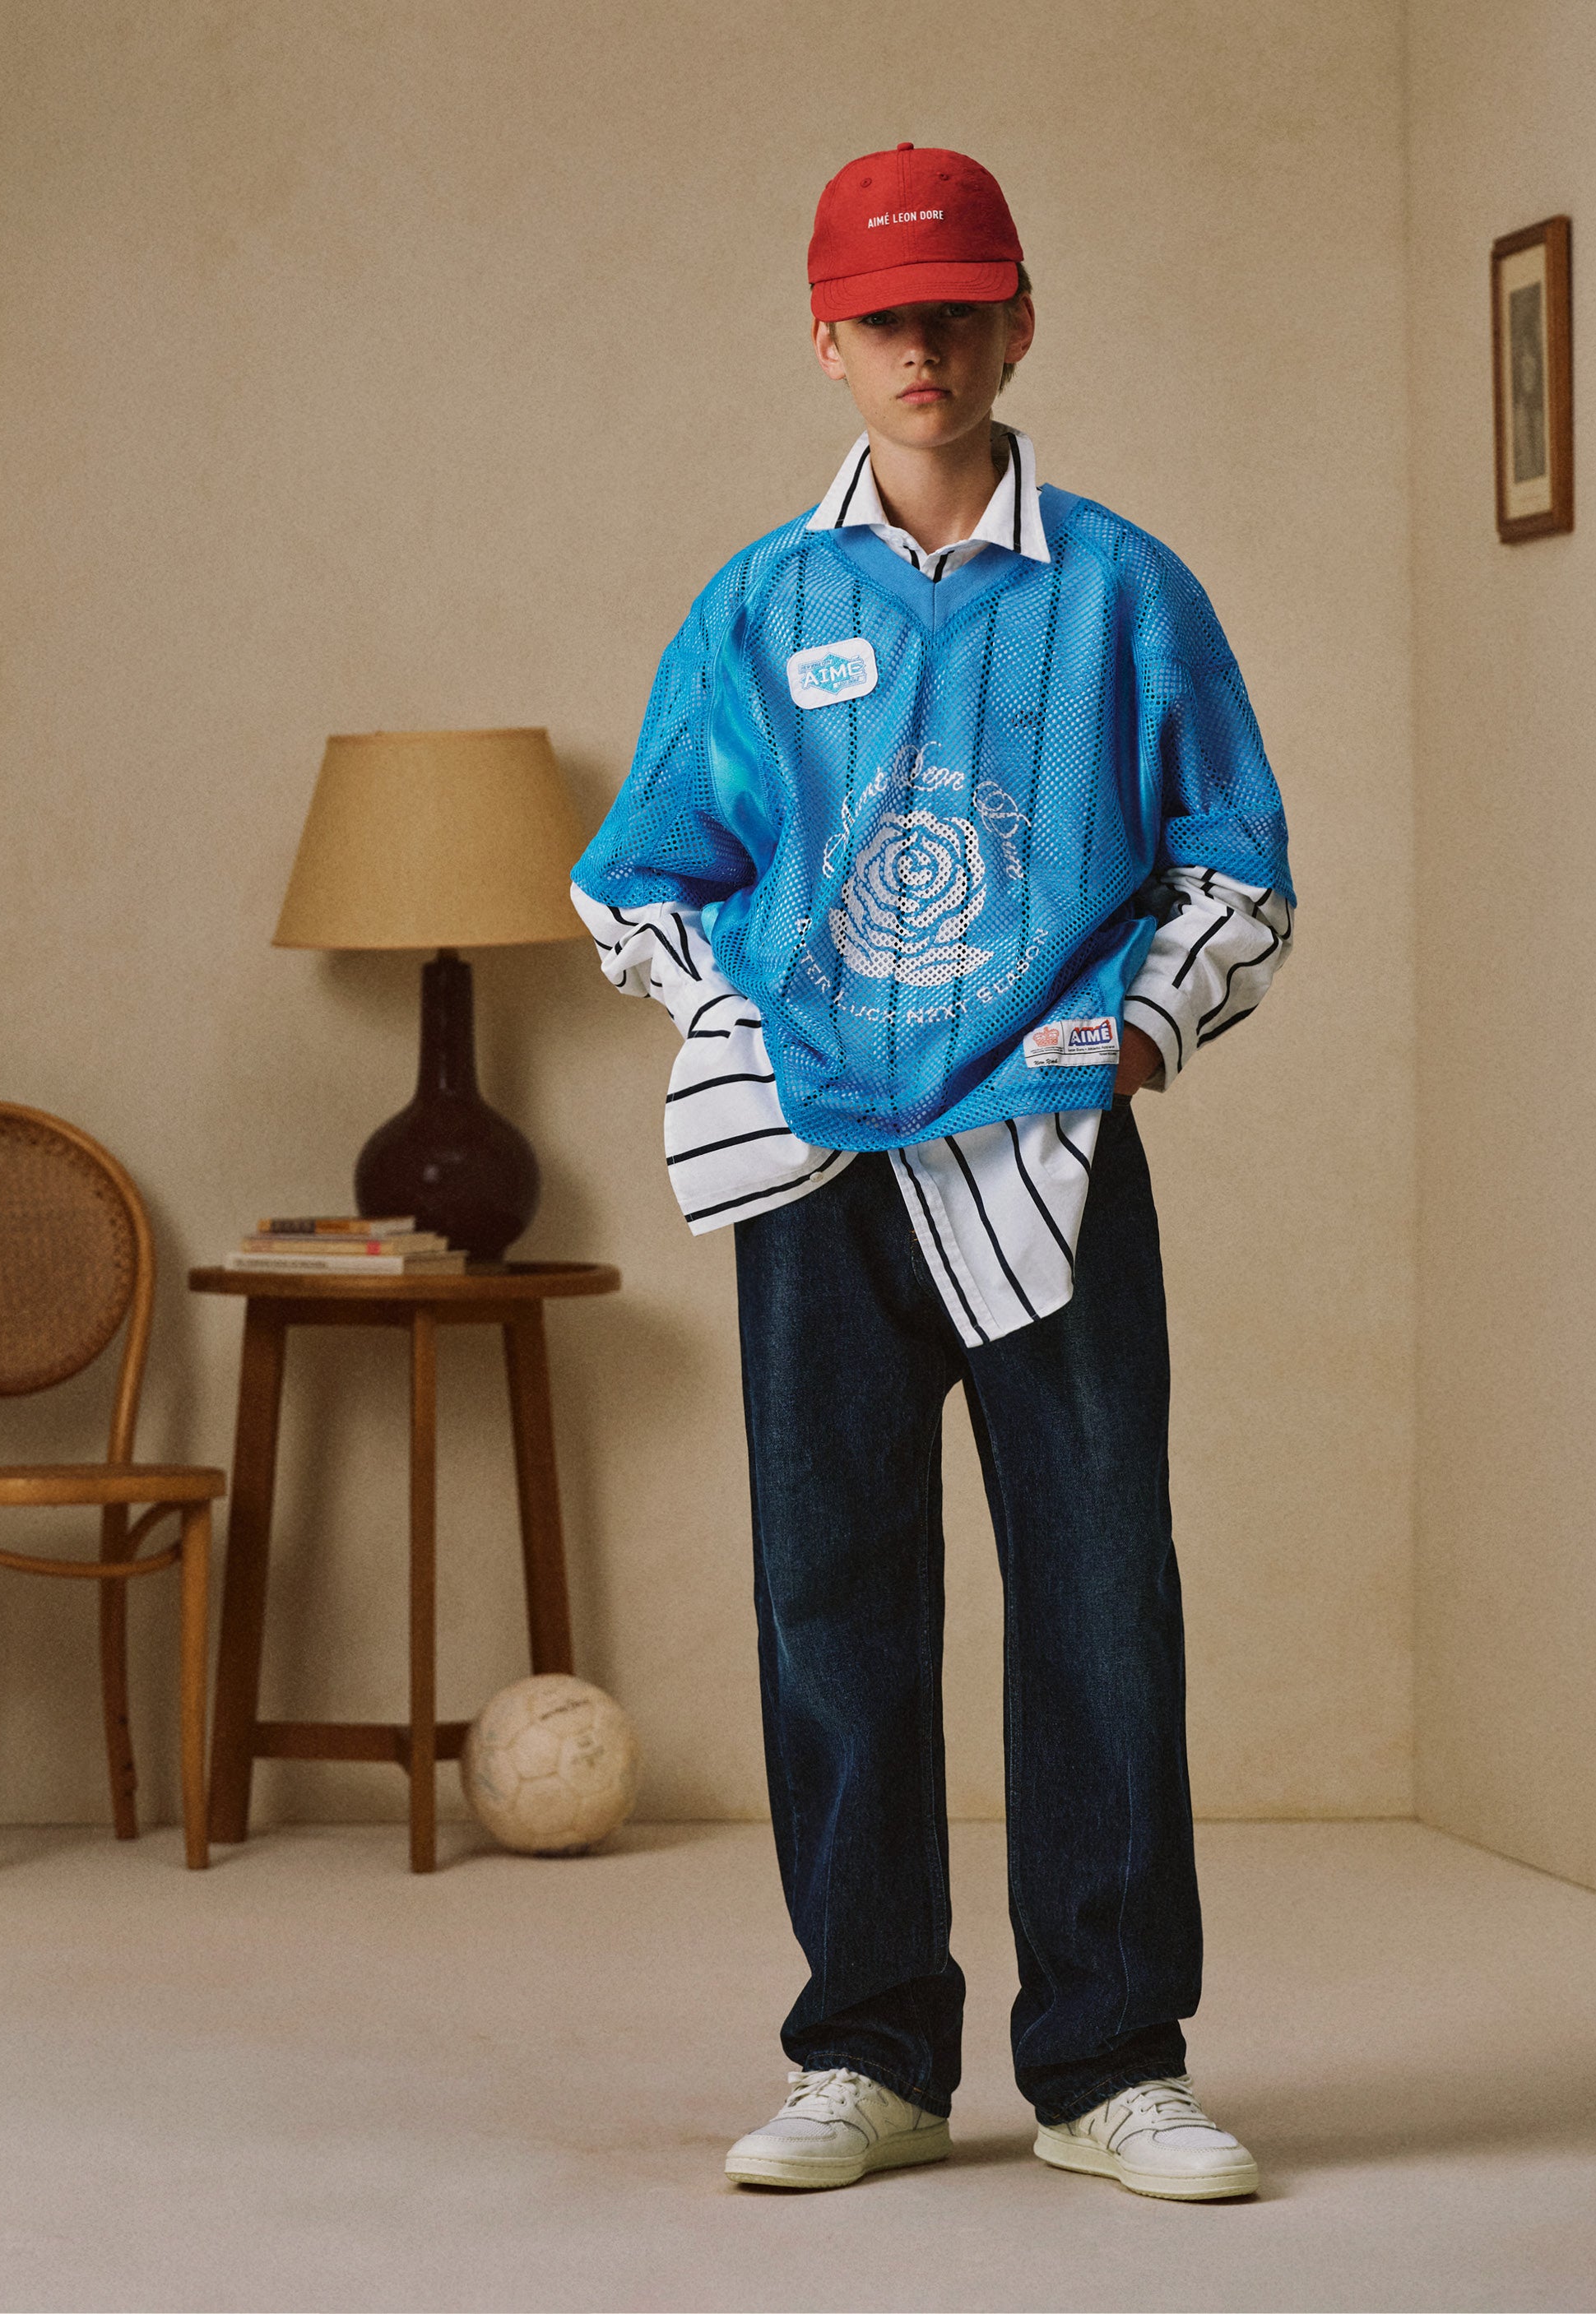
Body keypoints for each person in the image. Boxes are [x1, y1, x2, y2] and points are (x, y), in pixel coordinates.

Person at [570, 143, 1294, 2201]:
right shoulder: (761, 603)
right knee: (834, 1606)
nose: (926, 348)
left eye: (961, 310)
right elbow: (637, 878)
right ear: (827, 341)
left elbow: (1240, 866)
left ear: (1019, 322)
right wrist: (745, 1041)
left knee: (1099, 1600)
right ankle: (868, 2055)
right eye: (887, 317)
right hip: (820, 1184)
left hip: (1047, 1168)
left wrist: (1134, 1035)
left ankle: (1111, 2066)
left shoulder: (1125, 592)